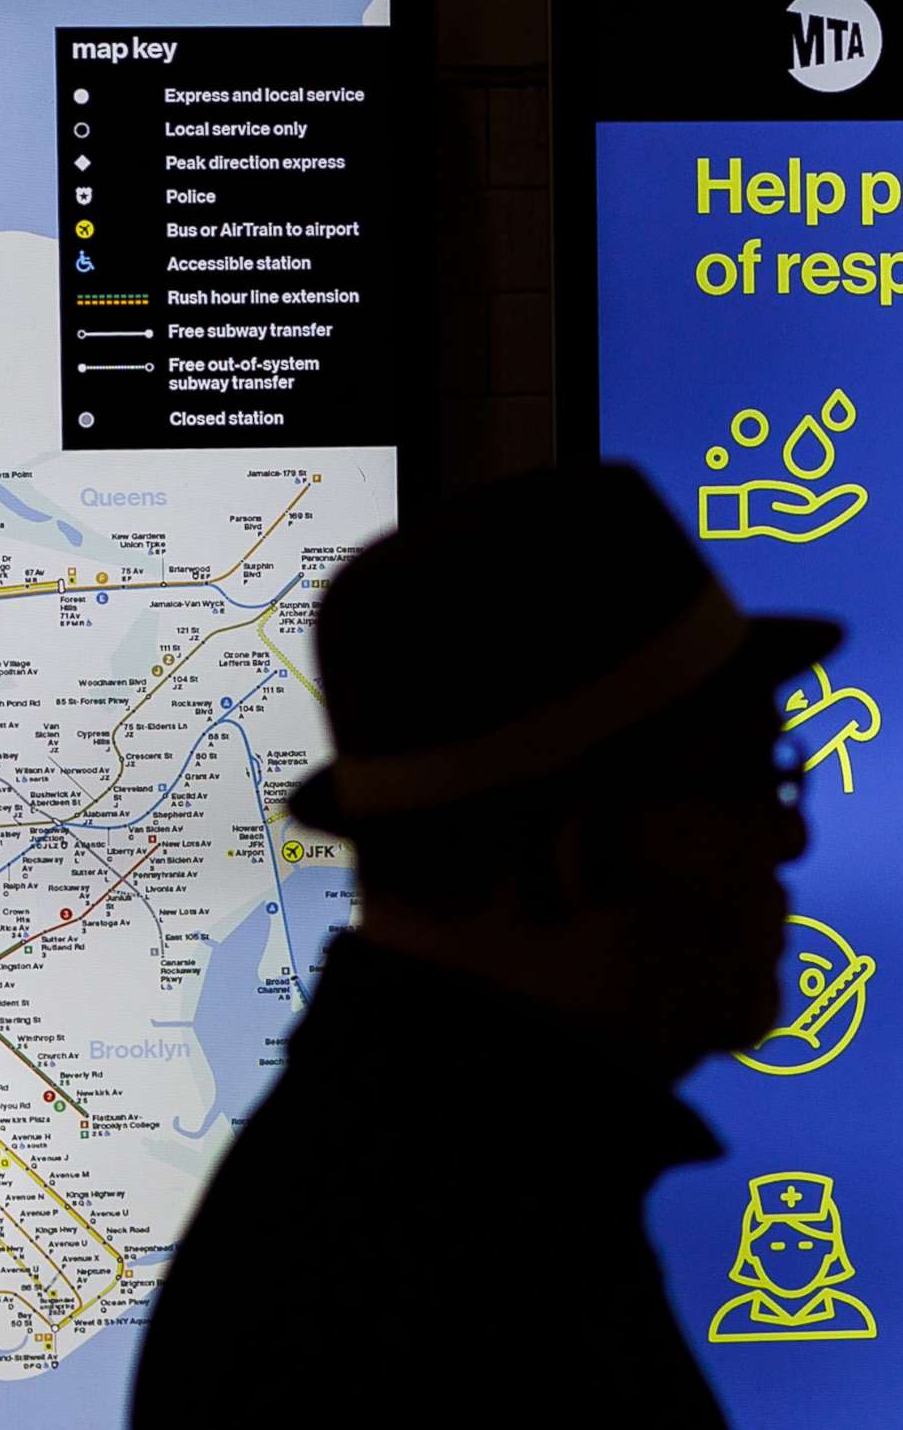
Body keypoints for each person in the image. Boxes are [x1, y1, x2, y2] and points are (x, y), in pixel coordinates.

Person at [129, 464, 837, 1428]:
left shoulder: (422, 1186)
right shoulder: (438, 1304)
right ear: (584, 852)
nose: (790, 839)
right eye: (754, 786)